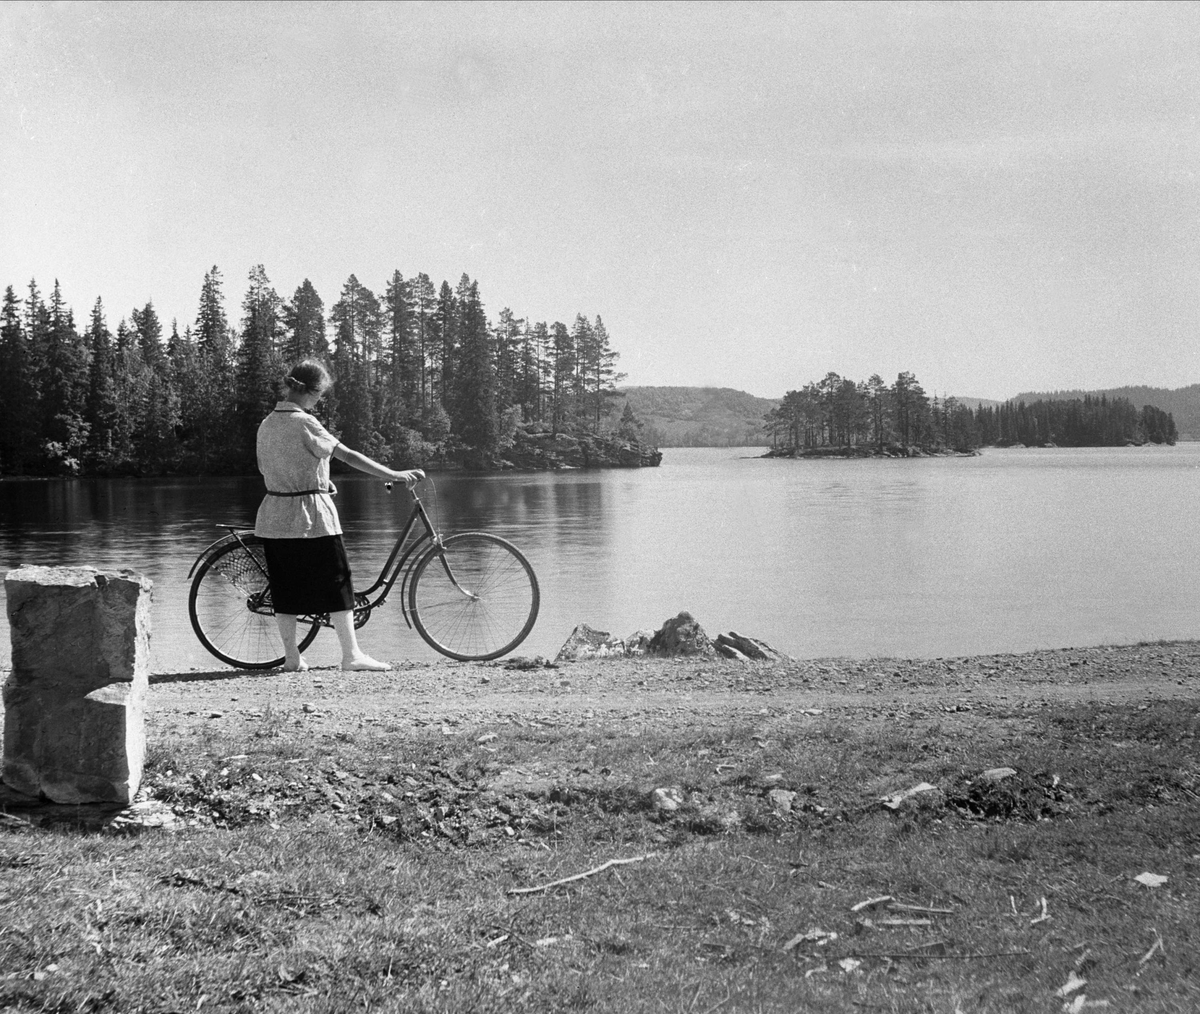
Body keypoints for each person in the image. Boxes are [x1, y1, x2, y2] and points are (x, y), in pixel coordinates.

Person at [254, 359, 423, 672]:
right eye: (319, 395)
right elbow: (348, 455)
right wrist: (394, 473)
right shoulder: (304, 422)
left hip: (275, 515)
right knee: (339, 581)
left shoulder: (267, 423)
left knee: (285, 587)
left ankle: (293, 659)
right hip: (311, 519)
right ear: (308, 391)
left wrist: (316, 480)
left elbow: (270, 468)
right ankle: (351, 655)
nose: (320, 401)